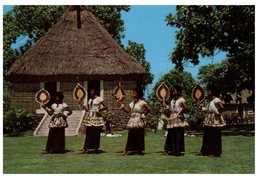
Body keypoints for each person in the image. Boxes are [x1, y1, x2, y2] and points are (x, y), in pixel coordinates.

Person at [119, 87, 150, 156]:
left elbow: (148, 109)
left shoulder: (142, 102)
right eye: (133, 93)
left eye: (134, 93)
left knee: (139, 135)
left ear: (138, 94)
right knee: (131, 135)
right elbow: (128, 111)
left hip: (139, 120)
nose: (133, 94)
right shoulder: (132, 103)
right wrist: (123, 108)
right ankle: (127, 150)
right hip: (132, 120)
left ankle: (139, 150)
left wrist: (143, 115)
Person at [199, 85, 226, 157]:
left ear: (213, 92)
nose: (207, 92)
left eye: (209, 91)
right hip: (209, 119)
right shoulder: (209, 101)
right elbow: (209, 110)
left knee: (215, 135)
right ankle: (206, 151)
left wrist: (218, 113)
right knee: (207, 135)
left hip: (215, 119)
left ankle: (215, 152)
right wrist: (203, 109)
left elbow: (221, 107)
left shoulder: (216, 99)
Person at [79, 88, 108, 154]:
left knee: (96, 132)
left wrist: (99, 110)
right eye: (90, 91)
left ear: (95, 91)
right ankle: (86, 148)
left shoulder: (99, 99)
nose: (91, 92)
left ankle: (96, 148)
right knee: (89, 132)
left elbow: (106, 106)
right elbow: (88, 110)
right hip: (90, 117)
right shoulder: (90, 100)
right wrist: (83, 105)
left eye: (92, 91)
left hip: (96, 117)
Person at [163, 85, 188, 156]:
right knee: (171, 134)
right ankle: (171, 150)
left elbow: (186, 108)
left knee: (178, 135)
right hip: (172, 118)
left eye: (174, 91)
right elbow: (171, 110)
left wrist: (180, 113)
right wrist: (166, 109)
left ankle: (178, 151)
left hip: (178, 119)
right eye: (172, 91)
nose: (173, 92)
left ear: (179, 92)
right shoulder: (172, 101)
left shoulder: (181, 100)